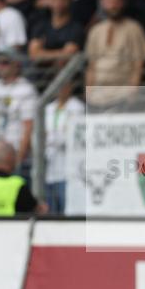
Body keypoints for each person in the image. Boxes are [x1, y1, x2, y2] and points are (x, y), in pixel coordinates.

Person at [84, 0, 145, 108]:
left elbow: (138, 64)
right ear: (102, 3)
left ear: (123, 3)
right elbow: (91, 65)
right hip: (98, 95)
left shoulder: (133, 28)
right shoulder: (96, 30)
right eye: (109, 1)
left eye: (116, 1)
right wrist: (88, 92)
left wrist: (133, 91)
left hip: (122, 93)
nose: (113, 5)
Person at [0, 53, 38, 170]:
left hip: (12, 156)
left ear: (16, 65)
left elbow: (28, 127)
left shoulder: (26, 90)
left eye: (5, 62)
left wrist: (18, 159)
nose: (0, 66)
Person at [0, 140, 46, 216]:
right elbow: (36, 209)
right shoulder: (17, 185)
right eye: (15, 156)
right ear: (10, 158)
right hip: (10, 227)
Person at [44, 81, 84, 214]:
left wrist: (52, 139)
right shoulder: (48, 108)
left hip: (67, 167)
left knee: (65, 207)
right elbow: (42, 133)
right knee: (51, 208)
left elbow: (71, 136)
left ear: (70, 87)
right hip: (49, 165)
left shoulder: (77, 107)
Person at [27, 0, 84, 64]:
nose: (58, 2)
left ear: (70, 0)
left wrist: (42, 53)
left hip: (67, 74)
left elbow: (68, 56)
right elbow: (33, 55)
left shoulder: (76, 28)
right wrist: (60, 53)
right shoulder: (40, 26)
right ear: (48, 1)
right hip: (39, 74)